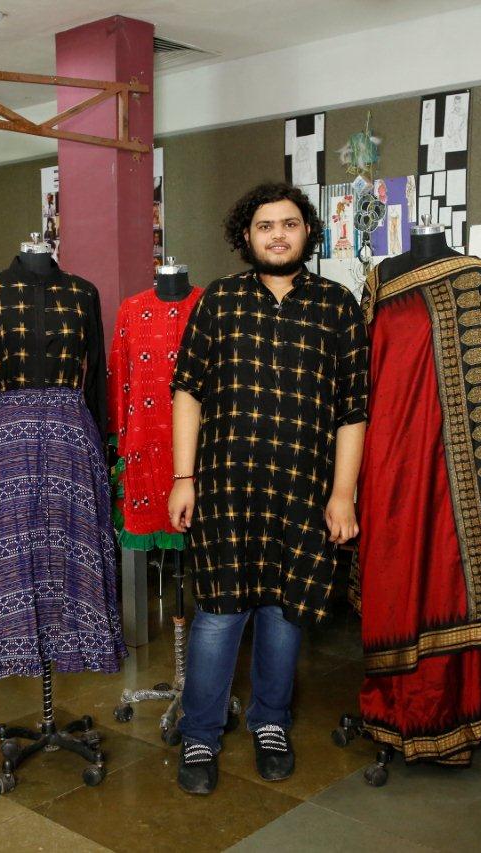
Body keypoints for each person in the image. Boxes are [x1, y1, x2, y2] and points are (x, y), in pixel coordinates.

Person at [168, 182, 369, 795]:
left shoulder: (337, 306)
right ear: (246, 236)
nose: (277, 235)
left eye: (288, 224)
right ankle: (200, 732)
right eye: (264, 226)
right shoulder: (219, 301)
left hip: (303, 491)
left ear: (308, 232)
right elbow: (188, 392)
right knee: (218, 613)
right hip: (225, 488)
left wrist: (343, 493)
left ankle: (271, 722)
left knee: (286, 610)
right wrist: (183, 478)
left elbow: (353, 410)